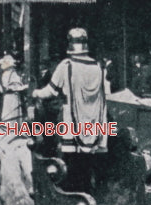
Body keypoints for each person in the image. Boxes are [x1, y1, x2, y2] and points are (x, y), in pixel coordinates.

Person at [32, 28, 108, 192]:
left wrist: (35, 92)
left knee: (71, 162)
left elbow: (50, 91)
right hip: (94, 121)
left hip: (72, 121)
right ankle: (88, 192)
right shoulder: (97, 66)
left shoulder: (66, 65)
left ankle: (70, 193)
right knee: (87, 164)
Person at [0, 54, 28, 138]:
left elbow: (1, 88)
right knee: (13, 114)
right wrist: (24, 87)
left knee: (8, 114)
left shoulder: (4, 74)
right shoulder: (12, 74)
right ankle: (14, 133)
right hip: (13, 97)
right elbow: (15, 87)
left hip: (7, 97)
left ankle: (8, 132)